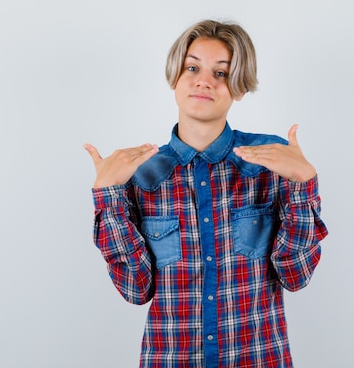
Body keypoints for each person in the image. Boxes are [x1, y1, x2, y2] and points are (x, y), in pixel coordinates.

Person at [84, 19, 328, 368]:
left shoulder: (272, 162)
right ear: (175, 77)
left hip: (258, 358)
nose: (203, 81)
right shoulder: (139, 172)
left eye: (221, 73)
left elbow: (295, 275)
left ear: (239, 87)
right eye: (193, 67)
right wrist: (107, 197)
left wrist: (304, 185)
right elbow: (135, 289)